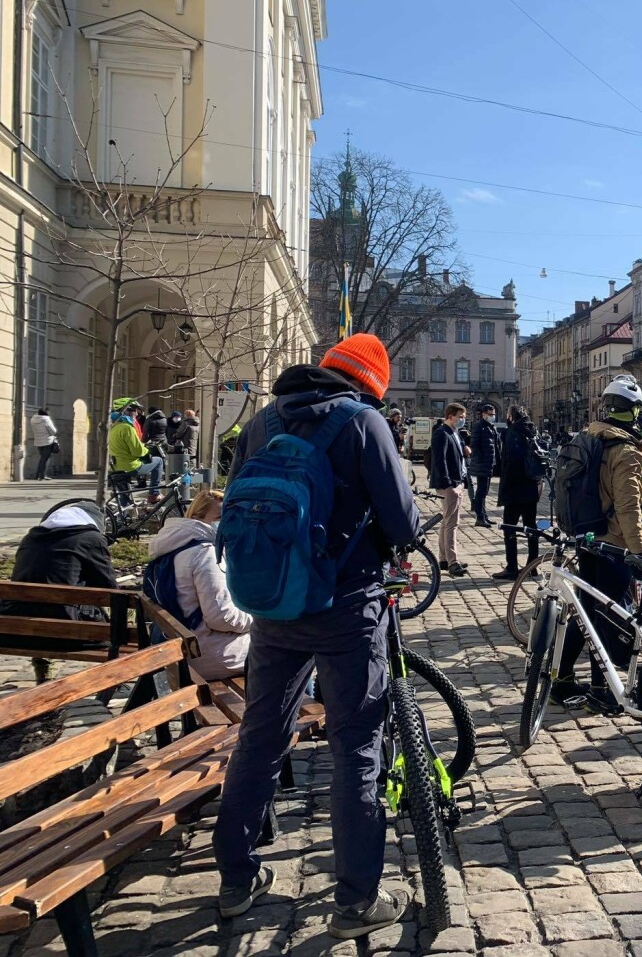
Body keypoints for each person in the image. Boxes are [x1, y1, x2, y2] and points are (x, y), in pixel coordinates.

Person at [213, 332, 419, 938]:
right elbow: (402, 522)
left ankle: (235, 878)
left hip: (273, 605)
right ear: (370, 384)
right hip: (346, 606)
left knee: (260, 736)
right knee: (354, 744)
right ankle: (356, 900)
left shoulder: (264, 418)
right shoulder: (364, 424)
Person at [552, 377, 642, 715]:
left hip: (586, 537)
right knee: (606, 619)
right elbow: (628, 508)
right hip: (613, 545)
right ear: (633, 412)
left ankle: (562, 679)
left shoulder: (588, 437)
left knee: (584, 610)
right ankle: (601, 689)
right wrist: (639, 552)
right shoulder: (624, 450)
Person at [5, 500, 117, 682]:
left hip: (17, 631)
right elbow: (110, 588)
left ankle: (42, 668)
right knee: (125, 616)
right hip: (70, 635)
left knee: (41, 606)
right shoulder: (91, 539)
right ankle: (116, 678)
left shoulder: (31, 537)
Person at [147, 489, 252, 680]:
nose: (227, 522)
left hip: (182, 645)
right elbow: (221, 617)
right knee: (287, 652)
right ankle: (299, 709)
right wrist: (258, 621)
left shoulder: (172, 545)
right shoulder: (205, 553)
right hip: (209, 654)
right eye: (220, 516)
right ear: (197, 517)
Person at [495, 405, 544, 581]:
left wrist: (504, 490)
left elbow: (509, 463)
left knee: (510, 528)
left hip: (515, 489)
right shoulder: (533, 431)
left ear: (511, 416)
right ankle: (533, 566)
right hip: (532, 487)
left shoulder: (512, 433)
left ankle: (512, 568)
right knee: (531, 528)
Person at [430, 403, 469, 578]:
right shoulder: (441, 433)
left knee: (447, 522)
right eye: (460, 416)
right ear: (450, 416)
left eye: (464, 417)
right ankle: (453, 562)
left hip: (458, 481)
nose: (463, 420)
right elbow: (440, 460)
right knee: (452, 523)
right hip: (450, 484)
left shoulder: (455, 433)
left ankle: (444, 559)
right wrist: (448, 484)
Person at [109, 401, 164, 503]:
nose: (137, 413)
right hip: (130, 466)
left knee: (125, 497)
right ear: (126, 411)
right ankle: (154, 493)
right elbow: (137, 451)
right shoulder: (127, 427)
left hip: (117, 467)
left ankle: (122, 517)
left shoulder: (113, 427)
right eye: (134, 410)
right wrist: (146, 450)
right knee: (158, 461)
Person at [468, 402, 501, 527]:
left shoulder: (491, 427)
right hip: (482, 464)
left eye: (493, 414)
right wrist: (481, 459)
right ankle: (480, 517)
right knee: (481, 492)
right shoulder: (479, 427)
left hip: (489, 464)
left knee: (484, 491)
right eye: (490, 414)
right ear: (483, 415)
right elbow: (475, 445)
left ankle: (484, 515)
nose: (492, 416)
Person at [30, 407, 58, 480]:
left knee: (43, 458)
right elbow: (53, 431)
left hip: (38, 441)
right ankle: (39, 475)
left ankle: (41, 475)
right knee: (44, 459)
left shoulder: (33, 419)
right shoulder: (46, 419)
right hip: (47, 441)